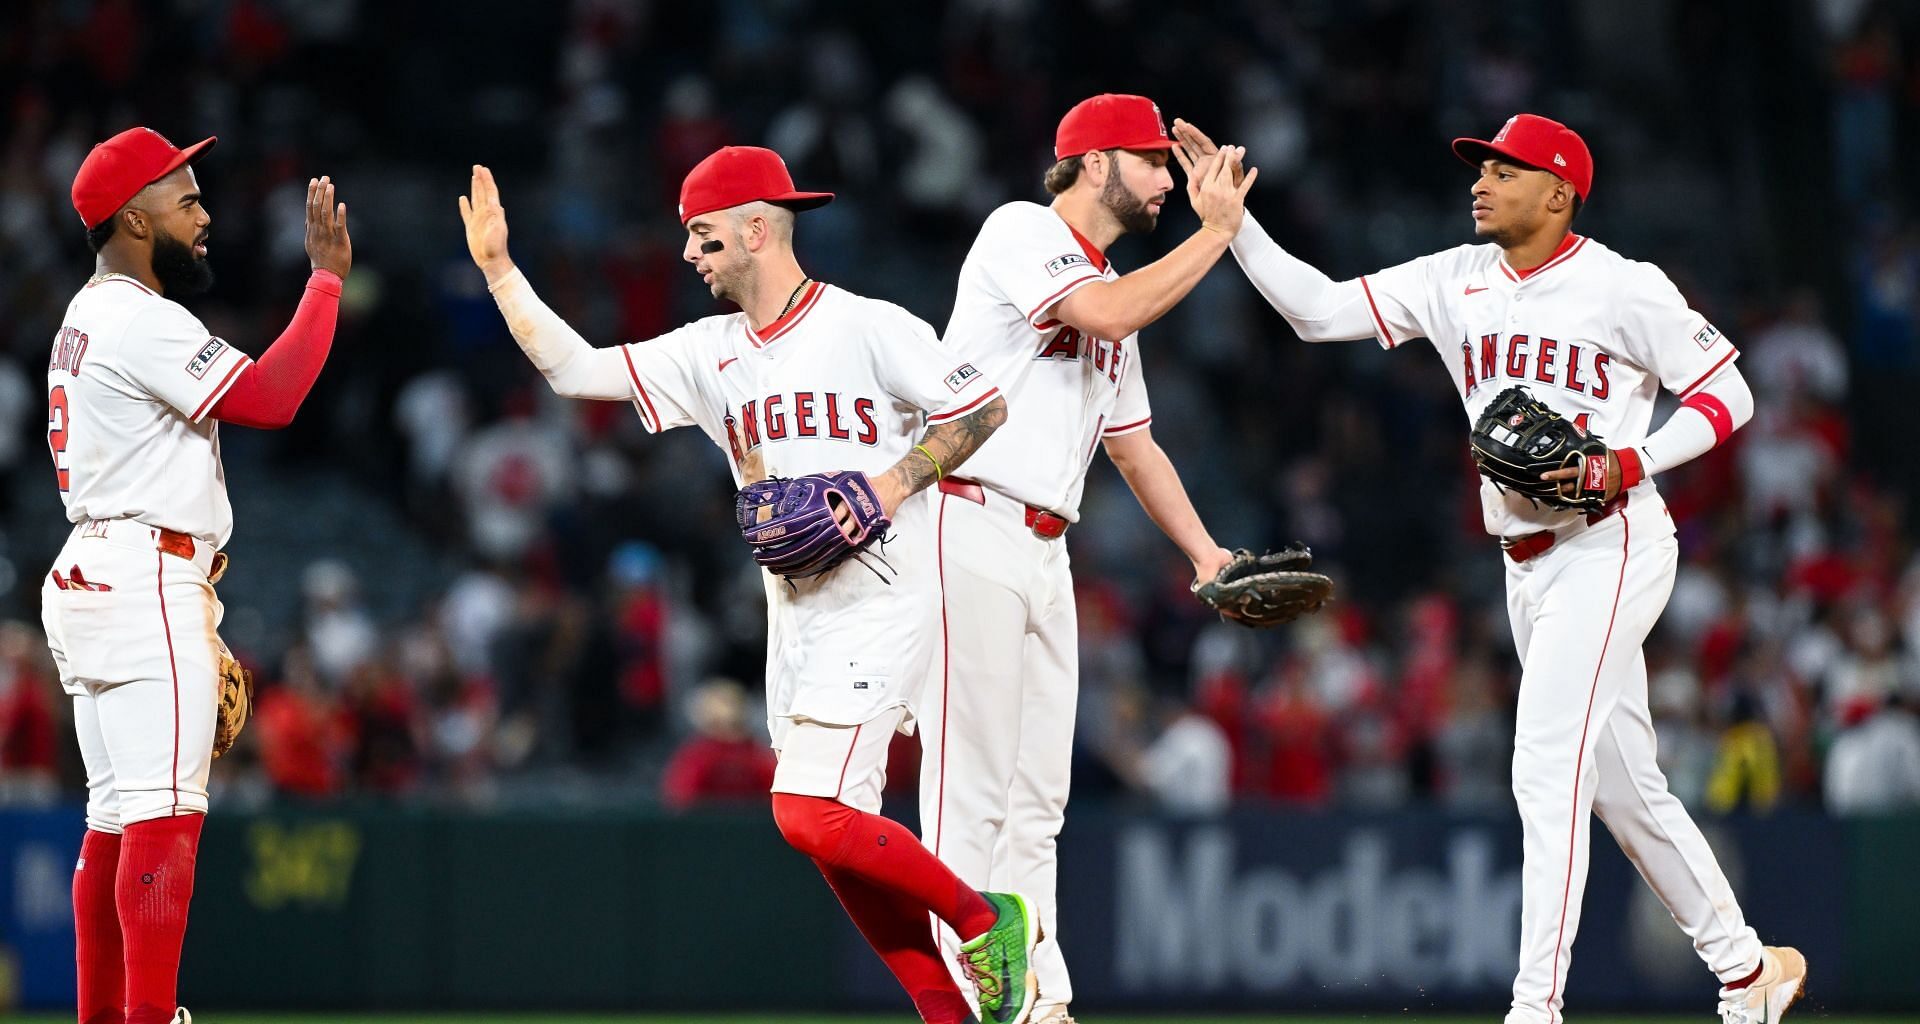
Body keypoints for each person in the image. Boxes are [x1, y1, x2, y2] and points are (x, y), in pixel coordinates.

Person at [1181, 111, 1804, 1024]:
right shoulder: (1455, 278)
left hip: (1612, 538)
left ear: (1558, 192)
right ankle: (1750, 973)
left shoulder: (1624, 287)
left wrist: (1632, 462)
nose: (1480, 181)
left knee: (1544, 766)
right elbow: (1316, 312)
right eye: (1481, 168)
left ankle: (1533, 1008)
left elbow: (1730, 393)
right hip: (1524, 562)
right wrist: (1234, 230)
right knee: (1625, 785)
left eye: (1504, 171)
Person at [459, 146, 1041, 1024]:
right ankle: (946, 1013)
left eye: (703, 236)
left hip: (882, 592)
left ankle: (982, 916)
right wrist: (501, 271)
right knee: (835, 841)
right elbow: (577, 370)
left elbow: (983, 409)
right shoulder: (711, 351)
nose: (689, 255)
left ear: (757, 229)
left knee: (804, 813)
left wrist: (887, 485)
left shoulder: (868, 326)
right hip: (796, 611)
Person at [919, 93, 1257, 1024]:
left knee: (1039, 800)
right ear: (1097, 161)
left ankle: (1041, 1004)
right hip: (966, 521)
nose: (1166, 182)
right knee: (972, 789)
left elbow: (1135, 446)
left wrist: (1205, 555)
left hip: (1042, 550)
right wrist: (1218, 233)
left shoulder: (1114, 286)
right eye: (1152, 162)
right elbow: (1102, 315)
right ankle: (961, 1002)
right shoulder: (1020, 229)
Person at [47, 126, 352, 1024]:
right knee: (166, 821)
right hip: (146, 572)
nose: (205, 214)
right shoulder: (141, 318)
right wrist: (326, 282)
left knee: (113, 823)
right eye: (185, 200)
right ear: (135, 219)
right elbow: (272, 395)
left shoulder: (83, 315)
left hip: (94, 574)